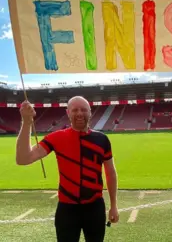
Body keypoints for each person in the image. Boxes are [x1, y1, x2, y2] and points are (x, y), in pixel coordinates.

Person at [16, 96, 119, 242]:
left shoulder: (102, 139)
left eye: (83, 110)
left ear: (90, 112)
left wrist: (114, 205)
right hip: (67, 209)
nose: (79, 113)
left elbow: (111, 173)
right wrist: (26, 122)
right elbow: (23, 159)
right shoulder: (56, 138)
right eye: (75, 110)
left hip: (95, 208)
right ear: (68, 113)